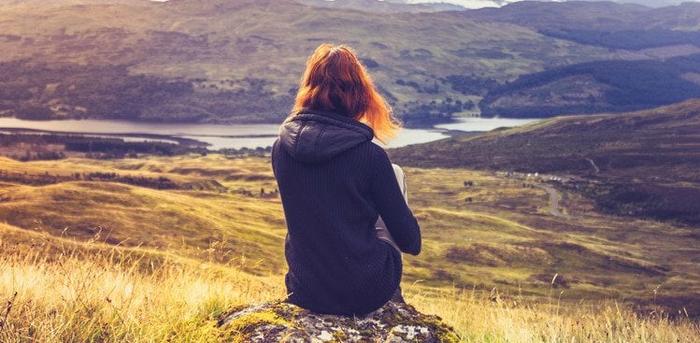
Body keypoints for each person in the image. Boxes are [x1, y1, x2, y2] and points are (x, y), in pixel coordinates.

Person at [270, 43, 421, 316]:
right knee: (395, 173)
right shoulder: (370, 156)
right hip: (365, 291)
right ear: (360, 93)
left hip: (304, 290)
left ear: (308, 89)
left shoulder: (281, 148)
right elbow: (411, 242)